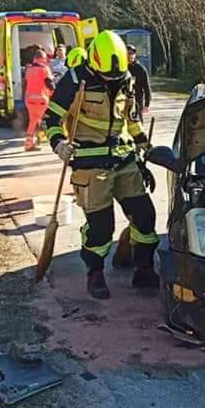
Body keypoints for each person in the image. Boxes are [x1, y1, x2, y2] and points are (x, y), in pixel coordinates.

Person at [45, 30, 158, 299]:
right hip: (90, 164)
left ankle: (143, 269)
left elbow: (131, 120)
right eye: (108, 76)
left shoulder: (126, 77)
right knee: (101, 226)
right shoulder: (75, 80)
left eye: (117, 76)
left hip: (124, 159)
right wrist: (59, 143)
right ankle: (94, 273)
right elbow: (51, 119)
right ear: (95, 64)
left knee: (145, 216)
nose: (113, 80)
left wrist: (144, 145)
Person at [23, 51, 54, 151]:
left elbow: (26, 83)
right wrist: (55, 93)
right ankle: (29, 144)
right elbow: (49, 83)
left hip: (29, 99)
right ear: (44, 58)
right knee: (35, 121)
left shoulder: (29, 69)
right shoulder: (44, 68)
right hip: (41, 99)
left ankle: (37, 139)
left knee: (35, 120)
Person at [126, 44, 151, 118]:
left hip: (137, 102)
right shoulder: (121, 68)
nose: (130, 55)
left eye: (132, 53)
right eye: (128, 53)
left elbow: (147, 88)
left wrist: (147, 104)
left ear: (135, 55)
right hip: (124, 102)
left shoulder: (141, 69)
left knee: (138, 124)